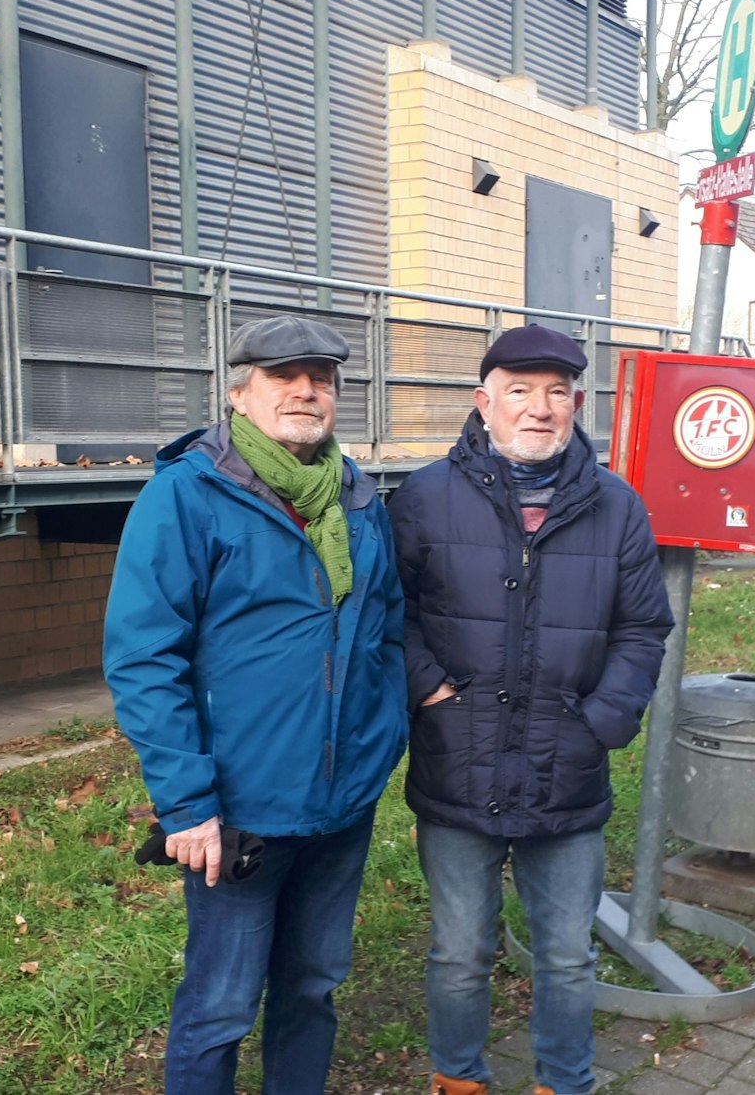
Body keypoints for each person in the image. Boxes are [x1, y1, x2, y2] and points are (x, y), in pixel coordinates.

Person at [102, 315, 408, 1094]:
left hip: (342, 806)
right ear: (240, 391)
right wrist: (187, 802)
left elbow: (386, 629)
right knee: (221, 1006)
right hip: (237, 812)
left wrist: (381, 744)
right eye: (284, 375)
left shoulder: (359, 499)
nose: (307, 390)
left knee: (312, 988)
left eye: (323, 378)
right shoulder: (188, 495)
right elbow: (144, 659)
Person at [387, 323, 675, 1095]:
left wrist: (603, 719)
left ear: (577, 403)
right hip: (460, 762)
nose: (539, 408)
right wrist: (430, 690)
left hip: (567, 767)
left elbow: (644, 627)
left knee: (567, 954)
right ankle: (460, 1081)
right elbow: (390, 613)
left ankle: (564, 1082)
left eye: (556, 392)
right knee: (457, 950)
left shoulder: (618, 506)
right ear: (484, 402)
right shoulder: (423, 498)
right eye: (519, 390)